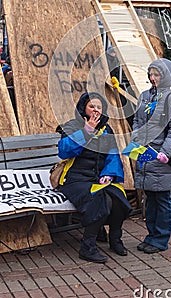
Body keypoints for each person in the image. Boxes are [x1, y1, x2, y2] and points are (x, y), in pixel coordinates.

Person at [56, 92, 131, 263]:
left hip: (97, 178)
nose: (96, 111)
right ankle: (87, 246)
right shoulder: (73, 126)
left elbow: (112, 155)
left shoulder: (106, 129)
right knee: (99, 200)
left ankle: (115, 239)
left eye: (99, 107)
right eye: (92, 107)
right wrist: (87, 130)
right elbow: (64, 151)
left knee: (119, 198)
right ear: (84, 108)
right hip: (75, 179)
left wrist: (108, 174)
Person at [132, 58, 171, 253]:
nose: (153, 78)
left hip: (161, 157)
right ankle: (151, 235)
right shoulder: (144, 96)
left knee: (161, 199)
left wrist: (165, 152)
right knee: (150, 199)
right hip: (145, 156)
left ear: (165, 76)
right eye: (151, 74)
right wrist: (136, 137)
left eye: (157, 74)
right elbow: (137, 119)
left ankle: (160, 239)